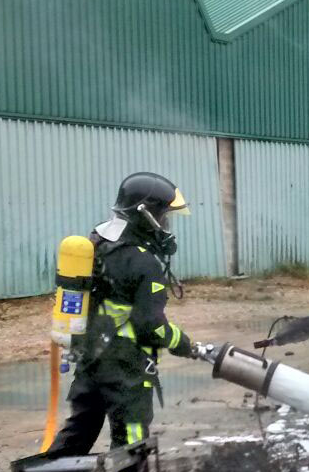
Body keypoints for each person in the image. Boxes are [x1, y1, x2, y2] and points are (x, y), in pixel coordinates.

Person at [49, 172, 198, 455]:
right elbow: (151, 327)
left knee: (80, 428)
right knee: (130, 441)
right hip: (125, 368)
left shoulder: (96, 243)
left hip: (89, 361)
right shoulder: (143, 261)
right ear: (147, 214)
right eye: (164, 215)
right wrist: (183, 342)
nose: (166, 225)